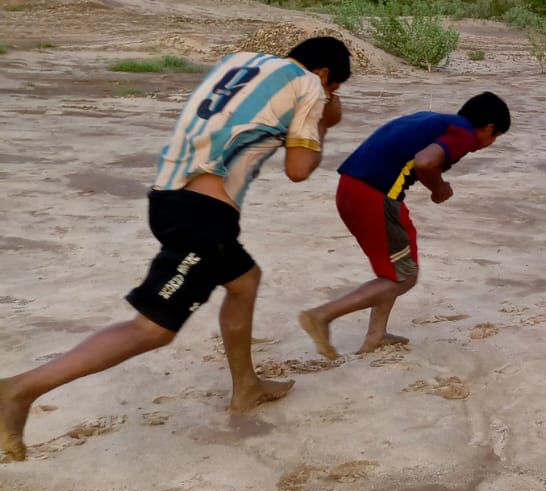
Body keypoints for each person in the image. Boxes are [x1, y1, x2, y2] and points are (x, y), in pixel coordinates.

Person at [0, 37, 351, 462]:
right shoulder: (311, 86)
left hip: (168, 195)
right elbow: (299, 170)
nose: (331, 96)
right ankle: (18, 390)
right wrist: (322, 122)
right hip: (201, 215)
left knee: (244, 281)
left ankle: (247, 387)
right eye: (335, 89)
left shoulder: (239, 61)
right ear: (326, 74)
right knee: (153, 329)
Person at [298, 92, 511, 359]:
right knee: (405, 277)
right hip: (375, 195)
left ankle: (376, 334)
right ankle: (322, 316)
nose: (489, 144)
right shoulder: (464, 134)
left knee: (396, 268)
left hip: (350, 187)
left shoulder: (433, 119)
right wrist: (439, 188)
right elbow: (425, 161)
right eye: (495, 137)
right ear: (489, 128)